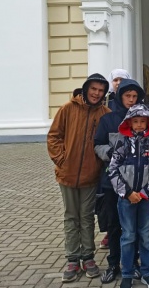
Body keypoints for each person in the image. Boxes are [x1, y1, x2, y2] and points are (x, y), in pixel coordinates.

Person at [47, 73, 110, 283]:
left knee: (86, 217)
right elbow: (54, 136)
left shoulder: (105, 113)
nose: (96, 94)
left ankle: (88, 257)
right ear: (86, 88)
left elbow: (107, 142)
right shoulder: (68, 108)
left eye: (101, 91)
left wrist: (99, 165)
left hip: (90, 176)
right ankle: (72, 258)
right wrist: (62, 160)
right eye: (93, 89)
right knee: (71, 217)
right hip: (67, 174)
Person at [108, 104, 149, 288]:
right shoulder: (122, 142)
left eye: (143, 121)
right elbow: (112, 169)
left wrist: (145, 192)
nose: (139, 125)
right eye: (136, 121)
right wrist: (127, 193)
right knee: (128, 236)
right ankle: (127, 273)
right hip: (126, 199)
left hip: (146, 199)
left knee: (145, 236)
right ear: (129, 123)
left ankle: (147, 272)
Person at [94, 79, 145, 283]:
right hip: (112, 182)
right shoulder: (108, 120)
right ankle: (114, 263)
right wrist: (111, 153)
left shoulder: (142, 119)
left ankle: (133, 263)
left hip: (136, 183)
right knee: (114, 225)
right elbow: (98, 144)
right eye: (127, 96)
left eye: (134, 97)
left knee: (134, 226)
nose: (131, 101)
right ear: (120, 96)